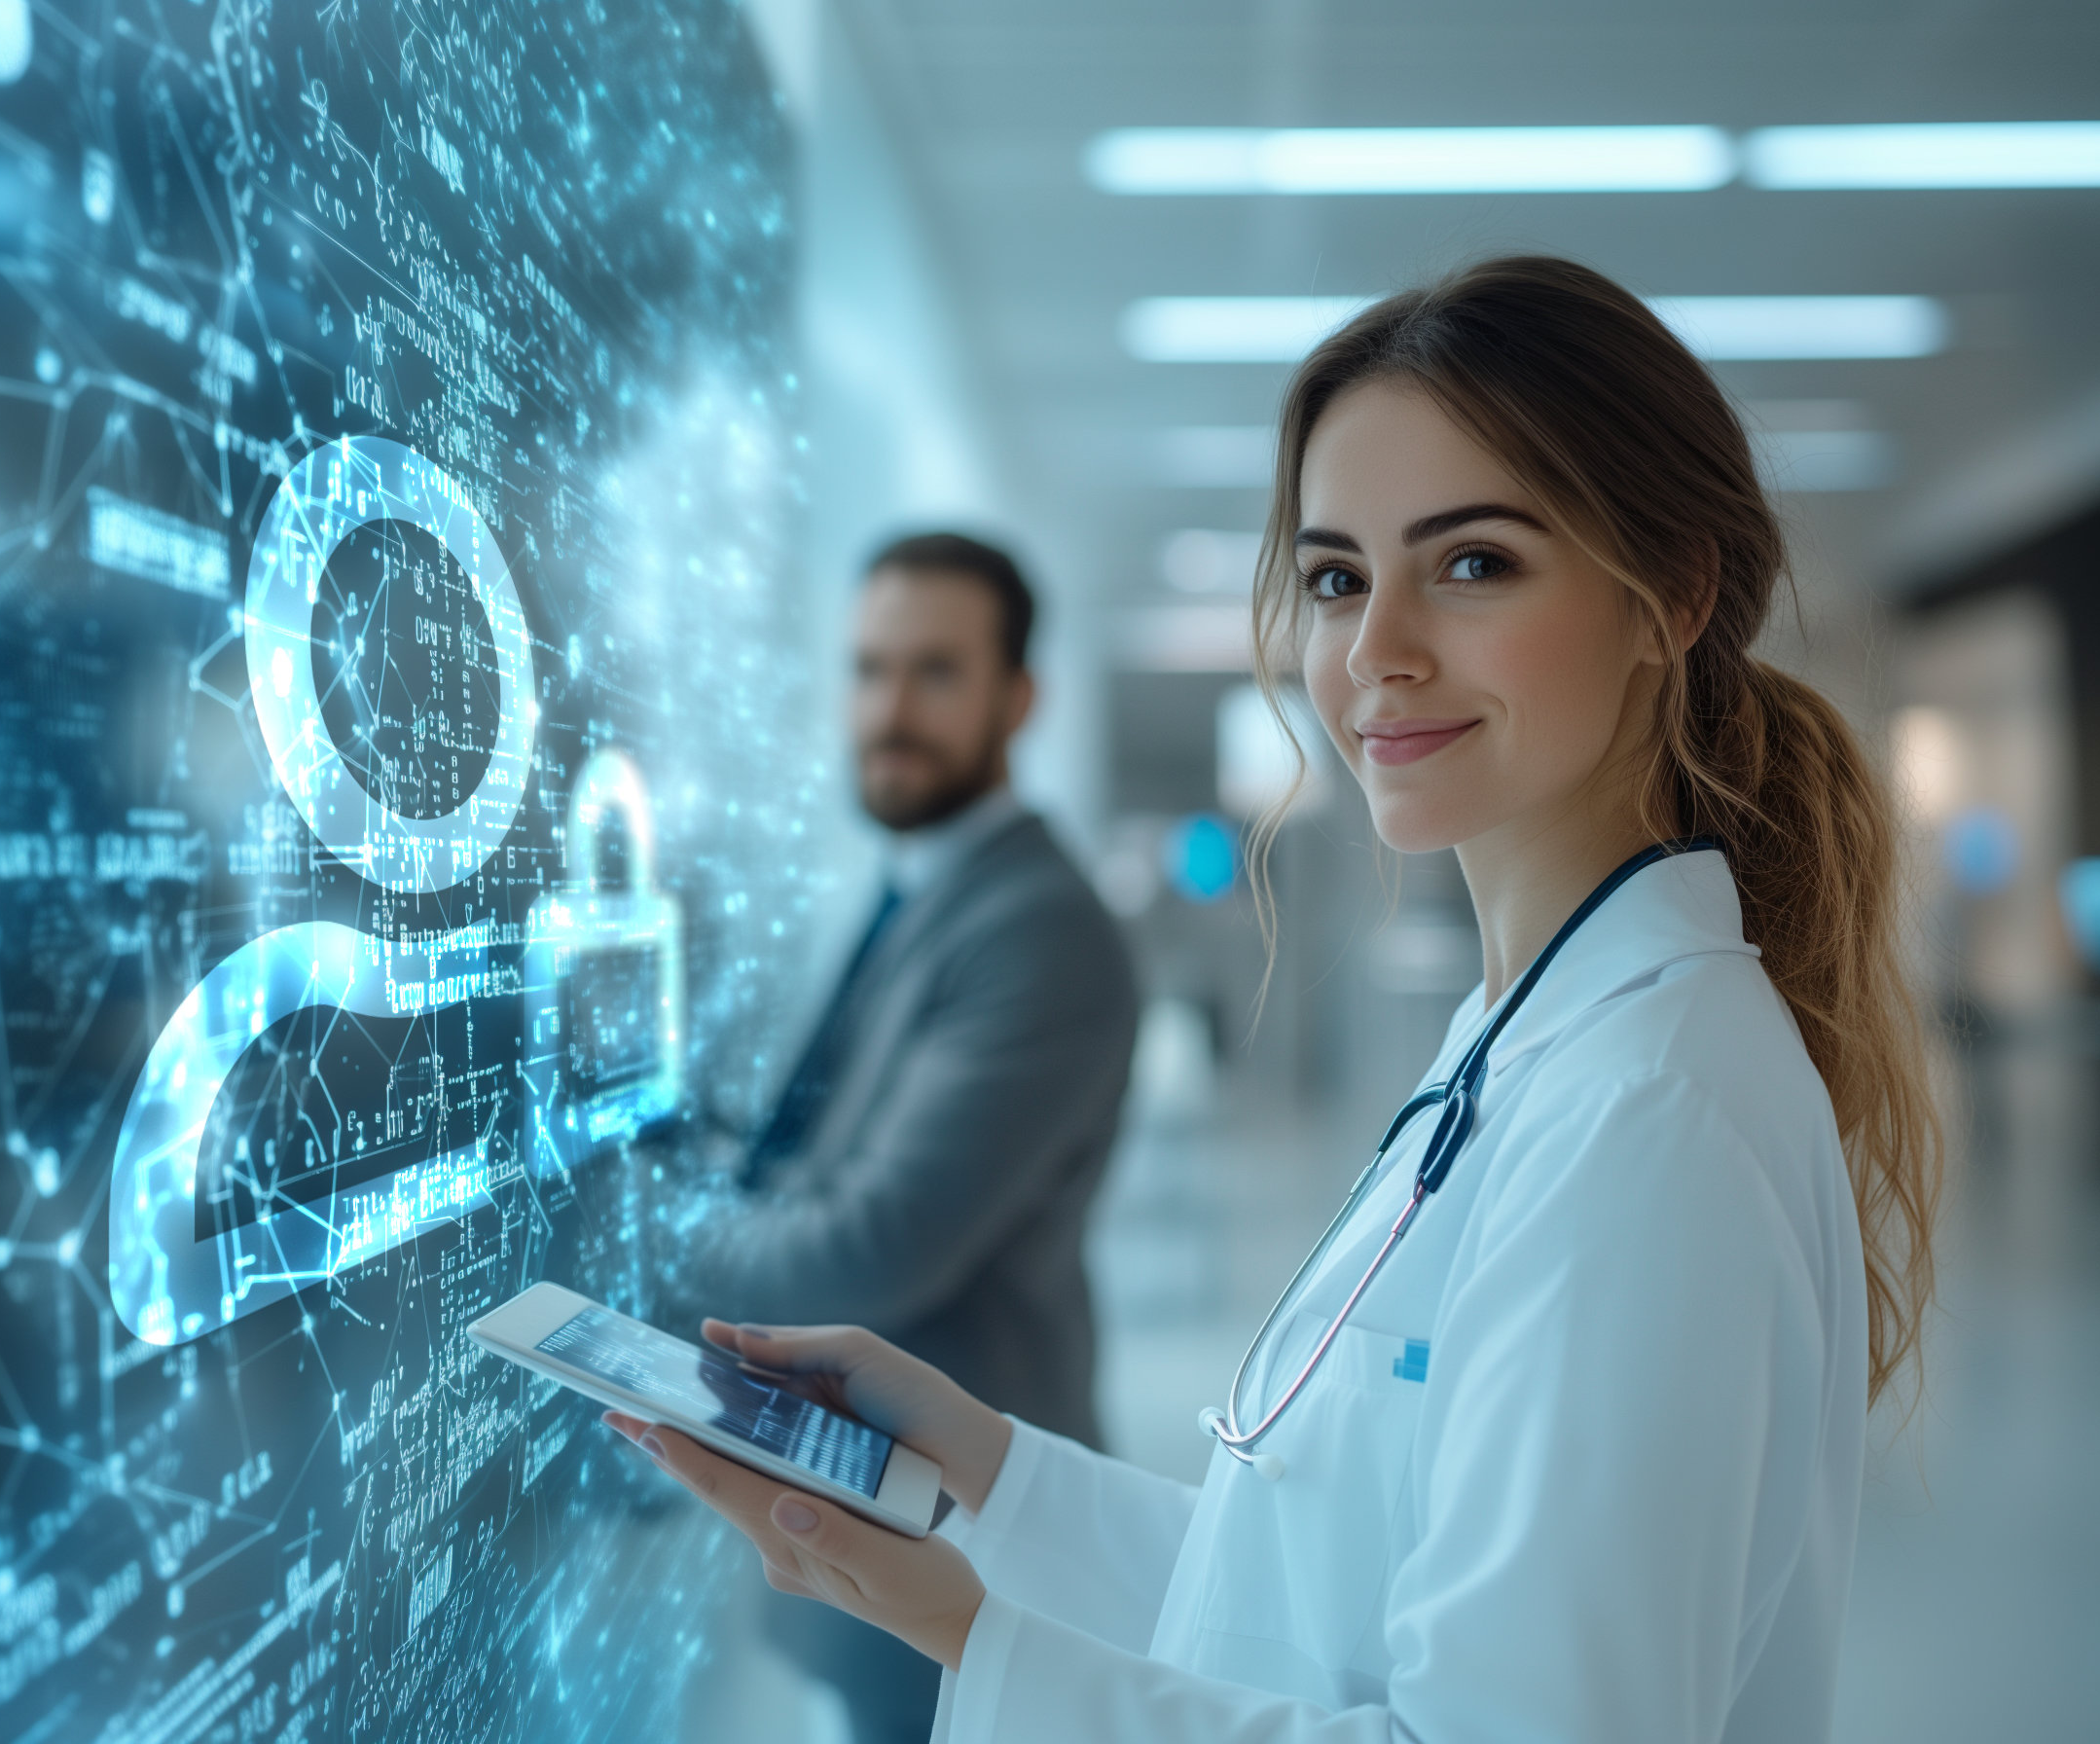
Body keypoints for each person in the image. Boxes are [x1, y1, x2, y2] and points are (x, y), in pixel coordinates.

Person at [615, 257, 1940, 1741]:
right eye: (1335, 577)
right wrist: (994, 1475)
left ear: (1671, 597)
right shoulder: (1531, 1046)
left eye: (1476, 562)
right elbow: (1319, 1605)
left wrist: (974, 1639)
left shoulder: (1646, 1110)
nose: (1376, 650)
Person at [672, 532, 1140, 1742]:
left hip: (954, 1550)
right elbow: (823, 1153)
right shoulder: (921, 890)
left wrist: (657, 1222)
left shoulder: (1034, 931)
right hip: (878, 1534)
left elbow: (866, 1249)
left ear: (1018, 697)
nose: (891, 709)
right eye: (869, 669)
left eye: (935, 671)